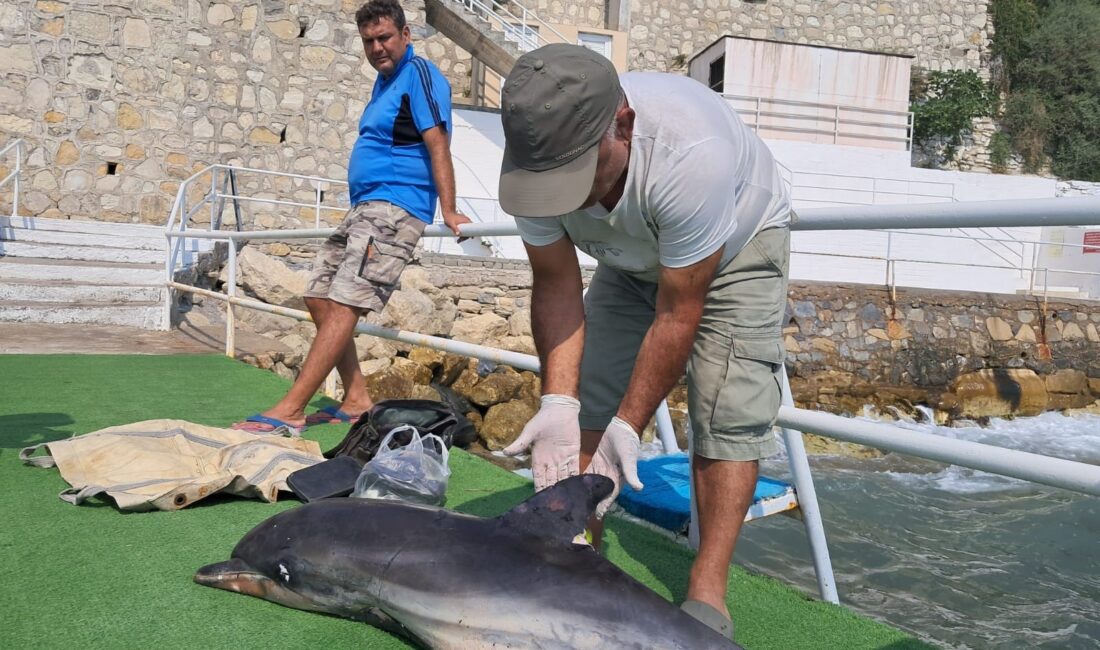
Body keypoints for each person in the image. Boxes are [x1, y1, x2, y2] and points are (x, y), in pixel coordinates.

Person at [499, 44, 792, 639]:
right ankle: (577, 561)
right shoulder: (534, 153)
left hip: (735, 244)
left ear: (623, 126)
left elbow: (680, 309)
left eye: (575, 178)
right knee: (585, 396)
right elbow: (555, 282)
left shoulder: (692, 155)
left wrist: (630, 426)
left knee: (725, 410)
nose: (566, 200)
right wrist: (558, 402)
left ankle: (707, 590)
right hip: (630, 257)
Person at [235, 0, 469, 434]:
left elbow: (438, 144)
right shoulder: (384, 83)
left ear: (406, 34)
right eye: (369, 41)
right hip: (365, 207)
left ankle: (290, 409)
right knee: (318, 296)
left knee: (345, 303)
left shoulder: (419, 74)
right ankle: (357, 397)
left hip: (395, 207)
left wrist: (450, 208)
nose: (378, 47)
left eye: (385, 38)